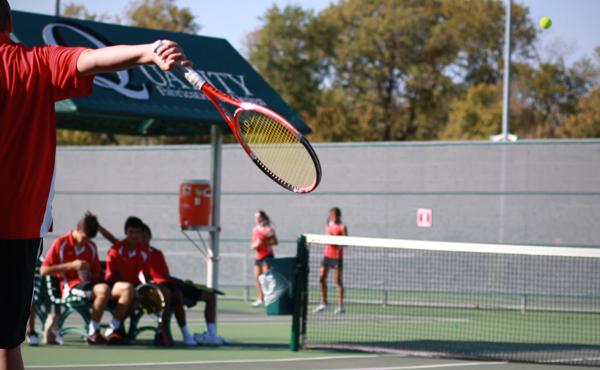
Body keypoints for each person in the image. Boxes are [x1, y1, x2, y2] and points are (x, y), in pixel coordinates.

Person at [0, 0, 190, 366]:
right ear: (8, 21)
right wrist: (148, 52)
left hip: (19, 227)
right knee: (8, 343)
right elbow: (93, 59)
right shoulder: (36, 63)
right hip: (18, 228)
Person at [40, 213, 135, 345]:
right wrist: (71, 265)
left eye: (89, 239)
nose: (86, 241)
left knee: (127, 289)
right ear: (77, 229)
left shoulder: (91, 246)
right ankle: (93, 332)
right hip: (71, 288)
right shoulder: (60, 243)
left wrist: (92, 274)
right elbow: (43, 270)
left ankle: (112, 330)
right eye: (84, 237)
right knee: (103, 289)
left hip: (91, 287)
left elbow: (96, 273)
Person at [141, 224, 229, 346]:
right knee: (177, 295)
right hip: (159, 288)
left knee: (210, 296)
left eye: (145, 235)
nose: (142, 238)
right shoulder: (136, 254)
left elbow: (164, 274)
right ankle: (186, 335)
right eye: (140, 235)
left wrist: (181, 282)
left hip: (171, 283)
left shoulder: (157, 253)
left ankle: (212, 335)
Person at [103, 216, 151, 344]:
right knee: (128, 290)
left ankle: (120, 331)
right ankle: (113, 329)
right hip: (113, 289)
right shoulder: (116, 249)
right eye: (131, 232)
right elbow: (111, 277)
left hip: (133, 289)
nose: (134, 235)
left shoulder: (144, 251)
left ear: (141, 233)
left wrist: (147, 288)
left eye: (137, 232)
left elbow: (145, 275)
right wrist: (128, 287)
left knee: (138, 299)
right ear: (126, 233)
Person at [313, 207, 348, 315]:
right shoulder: (328, 226)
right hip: (327, 256)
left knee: (338, 281)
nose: (332, 216)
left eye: (334, 214)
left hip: (337, 257)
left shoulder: (342, 227)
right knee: (321, 278)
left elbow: (346, 243)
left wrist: (335, 242)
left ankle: (340, 306)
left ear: (338, 215)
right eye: (331, 214)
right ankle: (324, 302)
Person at [250, 211, 278, 307]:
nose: (257, 219)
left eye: (258, 217)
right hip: (258, 256)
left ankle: (269, 298)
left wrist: (264, 243)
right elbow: (253, 243)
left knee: (267, 278)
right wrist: (254, 245)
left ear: (263, 217)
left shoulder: (268, 229)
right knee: (258, 277)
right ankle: (260, 298)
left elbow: (275, 241)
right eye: (255, 217)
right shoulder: (255, 230)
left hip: (267, 256)